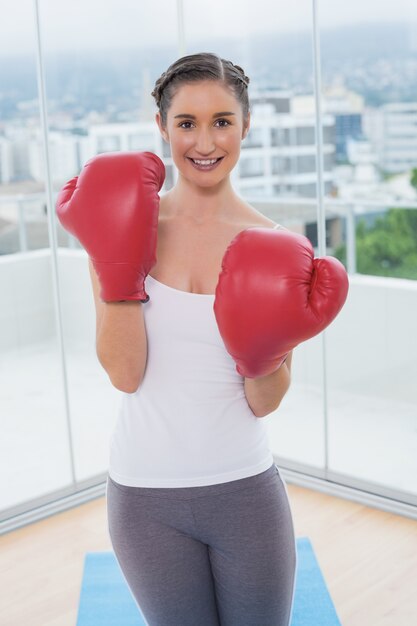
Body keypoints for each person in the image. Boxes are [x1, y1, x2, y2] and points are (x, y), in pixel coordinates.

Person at [56, 52, 348, 626]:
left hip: (244, 489)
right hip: (144, 495)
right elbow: (125, 374)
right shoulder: (121, 220)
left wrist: (261, 346)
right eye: (186, 123)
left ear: (246, 125)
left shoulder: (277, 246)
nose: (204, 141)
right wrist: (117, 267)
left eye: (222, 121)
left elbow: (263, 401)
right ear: (162, 128)